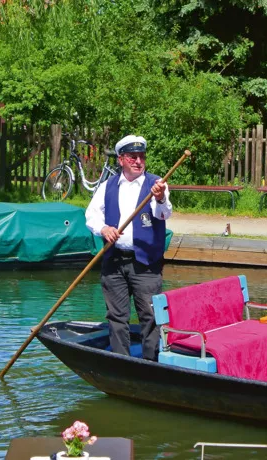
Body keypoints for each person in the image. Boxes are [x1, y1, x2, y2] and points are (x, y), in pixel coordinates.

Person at [85, 135, 172, 360]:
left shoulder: (156, 184)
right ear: (121, 159)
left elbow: (164, 214)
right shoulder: (108, 186)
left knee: (150, 317)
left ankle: (151, 362)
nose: (138, 161)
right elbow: (91, 215)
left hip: (145, 263)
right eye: (133, 157)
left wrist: (161, 198)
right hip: (114, 261)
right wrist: (104, 229)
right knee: (116, 317)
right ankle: (121, 362)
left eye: (141, 156)